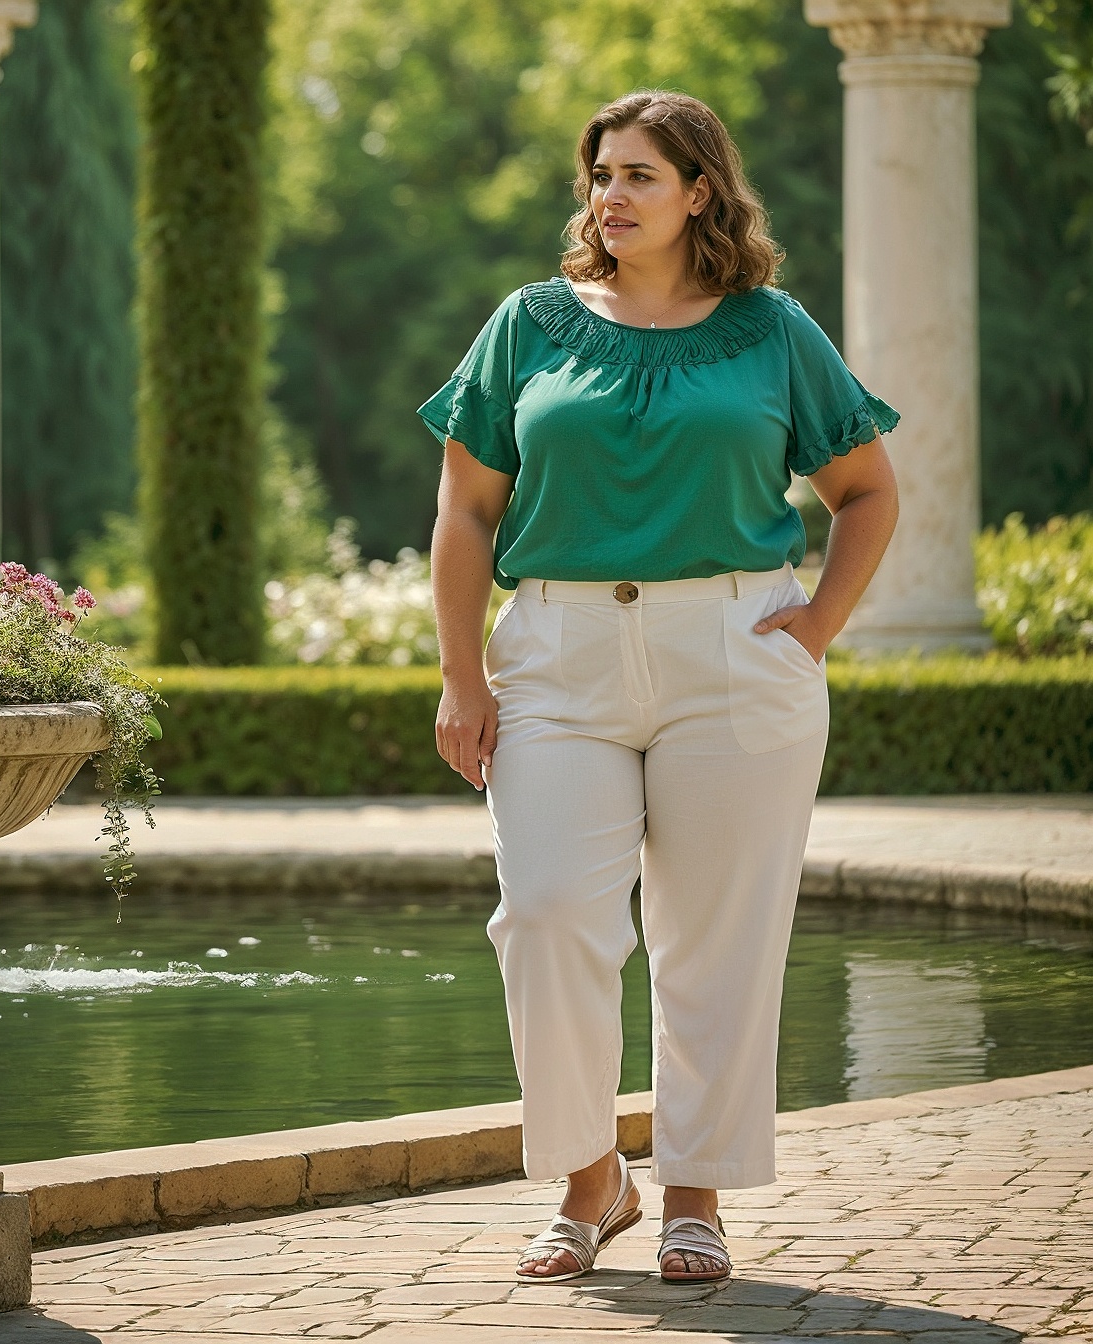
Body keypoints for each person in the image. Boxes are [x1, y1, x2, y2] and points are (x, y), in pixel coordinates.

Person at [420, 90, 900, 1285]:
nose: (611, 196)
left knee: (717, 943)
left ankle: (697, 1195)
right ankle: (592, 1179)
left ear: (700, 191)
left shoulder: (773, 329)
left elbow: (868, 493)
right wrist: (462, 678)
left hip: (734, 656)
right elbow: (466, 513)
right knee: (543, 916)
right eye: (600, 175)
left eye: (640, 174)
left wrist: (814, 629)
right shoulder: (527, 325)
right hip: (556, 658)